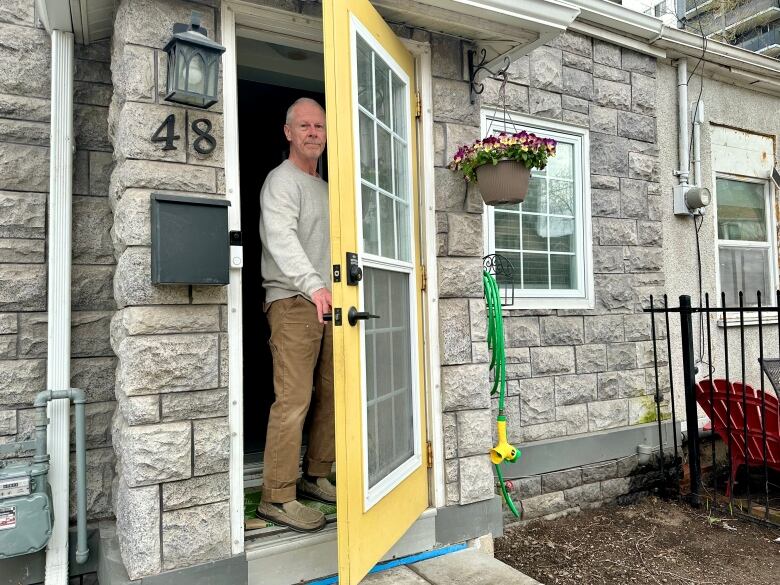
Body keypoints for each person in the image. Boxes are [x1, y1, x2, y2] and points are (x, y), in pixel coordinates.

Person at [256, 97, 334, 532]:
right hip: (292, 301)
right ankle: (277, 496)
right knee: (294, 400)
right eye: (304, 126)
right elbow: (281, 239)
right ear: (288, 132)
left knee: (332, 393)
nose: (312, 133)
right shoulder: (280, 181)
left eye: (319, 126)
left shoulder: (325, 187)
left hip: (327, 301)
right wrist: (314, 286)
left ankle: (316, 475)